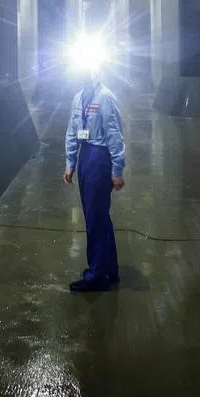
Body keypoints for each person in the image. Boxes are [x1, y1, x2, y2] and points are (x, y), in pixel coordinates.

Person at [63, 67, 125, 291]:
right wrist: (70, 163)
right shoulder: (78, 98)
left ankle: (96, 276)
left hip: (100, 158)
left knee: (95, 219)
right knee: (98, 216)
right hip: (85, 156)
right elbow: (72, 130)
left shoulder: (105, 97)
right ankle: (109, 269)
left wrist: (117, 170)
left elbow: (114, 133)